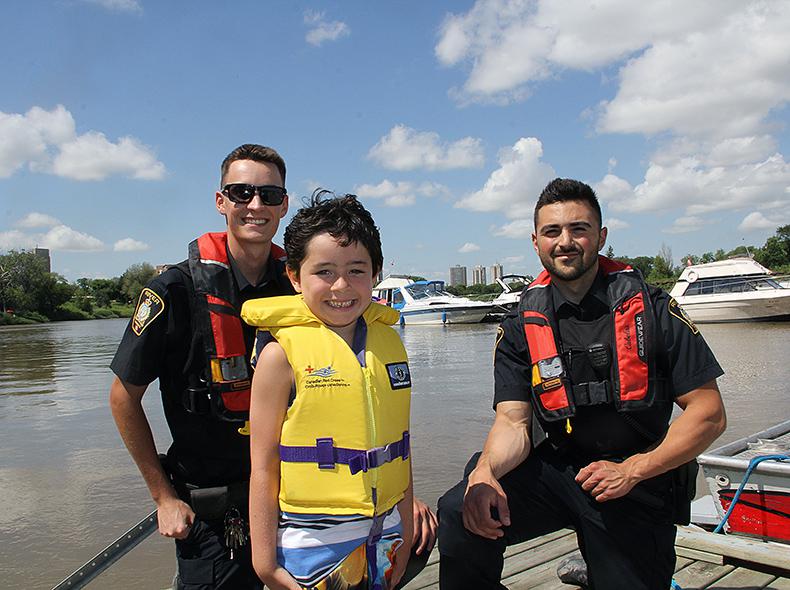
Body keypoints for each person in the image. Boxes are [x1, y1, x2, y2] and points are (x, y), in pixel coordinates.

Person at [437, 178, 727, 590]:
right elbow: (513, 423)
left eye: (579, 229)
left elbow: (709, 414)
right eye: (552, 231)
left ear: (601, 237)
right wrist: (485, 472)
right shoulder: (520, 323)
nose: (565, 242)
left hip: (635, 476)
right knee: (460, 508)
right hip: (556, 471)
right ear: (536, 242)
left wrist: (632, 470)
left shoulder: (654, 308)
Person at [109, 144, 294, 588]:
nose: (255, 205)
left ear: (284, 205)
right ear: (220, 201)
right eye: (241, 192)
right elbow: (122, 398)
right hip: (217, 516)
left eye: (269, 195)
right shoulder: (172, 290)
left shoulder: (300, 287)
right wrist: (163, 497)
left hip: (295, 498)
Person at [242, 192, 418, 590]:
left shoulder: (390, 345)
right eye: (323, 271)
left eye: (357, 270)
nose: (341, 286)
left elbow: (402, 448)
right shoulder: (279, 357)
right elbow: (263, 466)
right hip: (313, 546)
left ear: (376, 273)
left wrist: (406, 532)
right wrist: (264, 563)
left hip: (386, 534)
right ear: (294, 276)